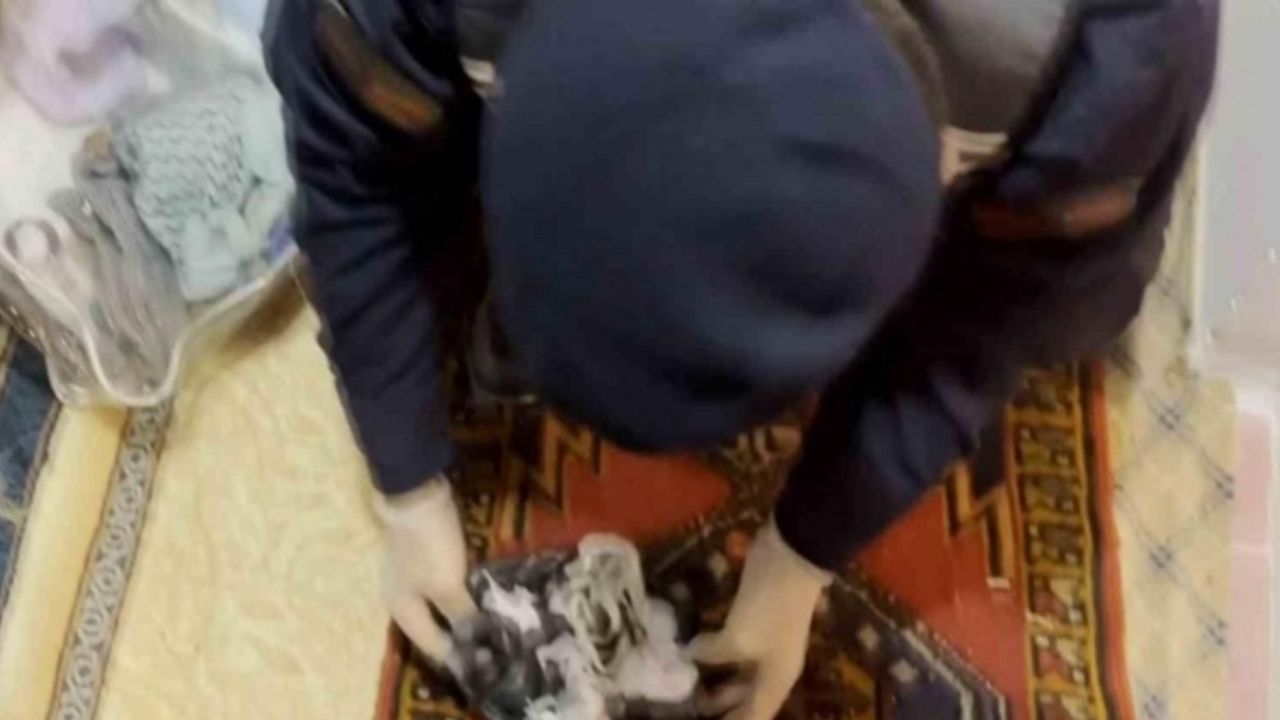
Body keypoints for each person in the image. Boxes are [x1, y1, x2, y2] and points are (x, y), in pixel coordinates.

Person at [264, 0, 1217, 715]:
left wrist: (799, 559)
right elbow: (346, 163)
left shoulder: (1116, 56)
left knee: (1084, 308)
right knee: (393, 161)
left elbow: (990, 322)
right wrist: (405, 486)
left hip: (1028, 103)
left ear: (940, 174)